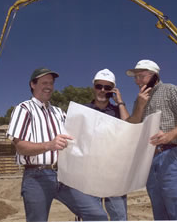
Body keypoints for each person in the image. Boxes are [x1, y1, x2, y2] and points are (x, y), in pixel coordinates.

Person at [7, 67, 108, 222]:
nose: (49, 86)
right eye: (44, 82)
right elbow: (20, 147)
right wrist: (49, 145)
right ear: (32, 85)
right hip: (36, 176)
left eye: (51, 83)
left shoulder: (59, 112)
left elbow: (79, 135)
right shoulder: (24, 109)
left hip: (63, 176)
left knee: (97, 215)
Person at [126, 59, 177, 220]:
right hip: (151, 160)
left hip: (174, 156)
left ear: (153, 76)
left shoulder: (170, 90)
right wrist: (140, 106)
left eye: (141, 76)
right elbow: (132, 125)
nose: (137, 81)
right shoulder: (139, 100)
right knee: (160, 215)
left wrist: (168, 136)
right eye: (135, 78)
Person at [85, 69, 129, 221]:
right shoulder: (83, 111)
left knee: (119, 217)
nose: (102, 90)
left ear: (113, 90)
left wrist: (120, 102)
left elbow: (129, 128)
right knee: (92, 217)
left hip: (114, 174)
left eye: (107, 87)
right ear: (94, 87)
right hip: (89, 174)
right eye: (99, 86)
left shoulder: (118, 111)